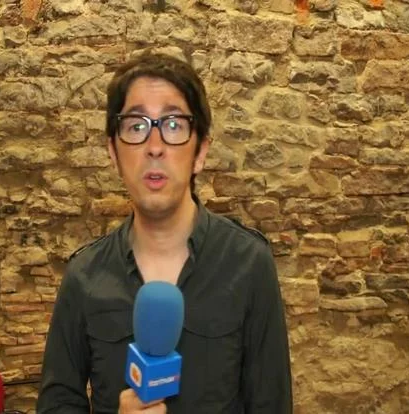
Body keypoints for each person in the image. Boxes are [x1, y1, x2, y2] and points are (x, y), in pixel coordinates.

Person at [36, 51, 293, 414]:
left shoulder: (249, 263)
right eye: (135, 126)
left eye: (173, 125)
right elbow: (56, 404)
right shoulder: (84, 276)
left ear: (200, 152)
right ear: (113, 153)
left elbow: (272, 404)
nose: (154, 147)